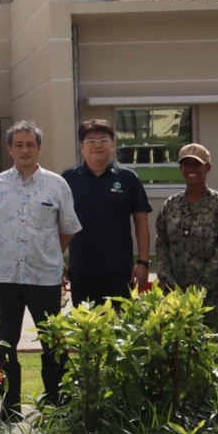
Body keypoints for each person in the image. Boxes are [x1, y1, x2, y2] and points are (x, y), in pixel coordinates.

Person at [0, 120, 82, 424]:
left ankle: (54, 404)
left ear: (39, 148)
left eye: (31, 144)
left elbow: (68, 229)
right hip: (6, 279)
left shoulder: (56, 185)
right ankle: (9, 406)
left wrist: (48, 252)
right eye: (19, 144)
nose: (25, 150)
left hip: (44, 278)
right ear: (9, 148)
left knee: (51, 345)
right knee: (5, 345)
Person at [61, 119, 152, 307]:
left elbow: (141, 222)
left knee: (120, 330)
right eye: (91, 140)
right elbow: (56, 222)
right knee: (86, 331)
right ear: (81, 147)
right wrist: (56, 258)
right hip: (81, 270)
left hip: (119, 271)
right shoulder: (69, 179)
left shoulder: (128, 178)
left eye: (103, 139)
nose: (97, 144)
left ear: (113, 144)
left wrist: (143, 262)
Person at [155, 143, 218, 335]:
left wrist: (197, 292)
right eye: (186, 165)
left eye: (197, 164)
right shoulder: (171, 205)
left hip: (214, 302)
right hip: (175, 300)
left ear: (207, 168)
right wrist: (170, 287)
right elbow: (161, 245)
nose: (191, 169)